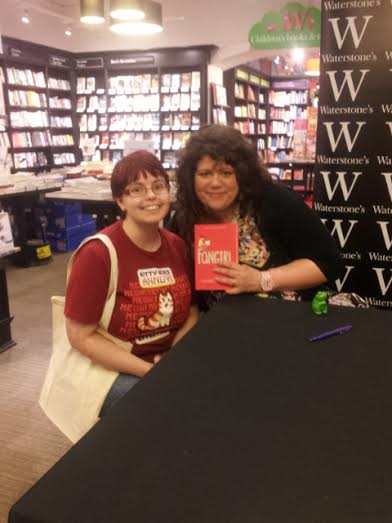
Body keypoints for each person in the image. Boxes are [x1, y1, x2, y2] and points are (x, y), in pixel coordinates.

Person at [65, 150, 199, 415]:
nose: (151, 196)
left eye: (158, 186)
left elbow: (192, 311)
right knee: (168, 405)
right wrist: (148, 371)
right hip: (112, 369)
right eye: (136, 189)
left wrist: (173, 357)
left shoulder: (177, 245)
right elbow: (80, 336)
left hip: (167, 360)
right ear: (120, 201)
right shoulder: (97, 254)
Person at [172, 124, 342, 310]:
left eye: (226, 173)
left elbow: (330, 264)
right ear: (191, 177)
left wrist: (262, 280)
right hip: (221, 326)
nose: (215, 183)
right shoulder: (184, 217)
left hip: (290, 319)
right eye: (205, 174)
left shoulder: (274, 201)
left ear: (243, 174)